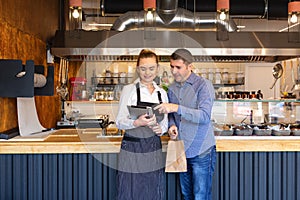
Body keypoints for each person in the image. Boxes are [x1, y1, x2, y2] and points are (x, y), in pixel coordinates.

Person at [154, 48, 216, 200]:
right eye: (172, 66)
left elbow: (204, 116)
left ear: (190, 67)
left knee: (200, 196)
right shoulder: (173, 88)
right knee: (186, 195)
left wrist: (176, 108)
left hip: (202, 150)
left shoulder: (203, 85)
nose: (174, 71)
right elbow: (173, 116)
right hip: (182, 148)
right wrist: (172, 125)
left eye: (178, 67)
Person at [115, 49, 168, 200]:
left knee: (152, 190)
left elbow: (165, 123)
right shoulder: (129, 90)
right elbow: (119, 122)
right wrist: (136, 122)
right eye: (143, 68)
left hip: (153, 146)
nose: (147, 73)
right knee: (130, 190)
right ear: (138, 69)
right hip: (132, 147)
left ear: (157, 69)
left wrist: (160, 129)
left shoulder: (161, 93)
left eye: (151, 68)